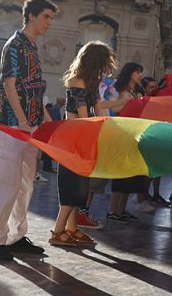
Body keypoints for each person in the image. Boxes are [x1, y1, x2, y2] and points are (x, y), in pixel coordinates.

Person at [0, 0, 57, 261]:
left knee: (25, 184)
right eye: (47, 16)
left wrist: (44, 121)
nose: (50, 22)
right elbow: (9, 84)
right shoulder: (14, 44)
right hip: (12, 126)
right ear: (33, 16)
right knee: (7, 182)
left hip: (30, 127)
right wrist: (22, 120)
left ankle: (15, 236)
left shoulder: (32, 47)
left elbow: (35, 89)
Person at [49, 42, 125, 246]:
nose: (104, 69)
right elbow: (83, 114)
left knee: (81, 187)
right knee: (71, 185)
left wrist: (105, 129)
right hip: (73, 138)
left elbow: (98, 110)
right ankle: (58, 231)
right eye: (102, 63)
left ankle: (72, 228)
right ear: (94, 61)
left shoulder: (92, 82)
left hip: (83, 137)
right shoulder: (77, 80)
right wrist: (98, 129)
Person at [108, 62, 153, 222]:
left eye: (140, 72)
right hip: (121, 133)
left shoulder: (136, 91)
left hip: (134, 134)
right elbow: (115, 109)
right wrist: (130, 104)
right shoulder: (118, 89)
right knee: (120, 174)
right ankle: (113, 210)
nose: (140, 75)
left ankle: (122, 209)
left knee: (129, 174)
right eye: (137, 72)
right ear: (129, 73)